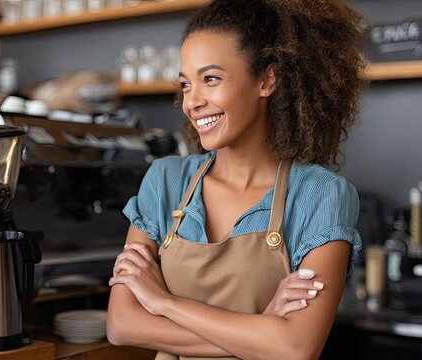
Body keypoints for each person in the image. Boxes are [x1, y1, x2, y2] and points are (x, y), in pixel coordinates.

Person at [106, 0, 365, 359]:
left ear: (267, 80)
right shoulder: (166, 181)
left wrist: (163, 302)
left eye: (210, 79)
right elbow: (122, 324)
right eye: (185, 84)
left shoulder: (321, 195)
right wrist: (261, 326)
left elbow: (296, 348)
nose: (192, 101)